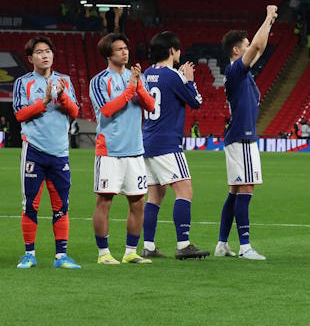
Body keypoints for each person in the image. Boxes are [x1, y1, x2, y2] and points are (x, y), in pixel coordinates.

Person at [13, 36, 81, 269]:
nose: (45, 55)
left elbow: (74, 111)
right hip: (33, 149)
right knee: (30, 204)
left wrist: (61, 96)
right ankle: (29, 254)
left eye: (48, 51)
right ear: (31, 58)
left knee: (61, 205)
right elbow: (20, 115)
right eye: (39, 52)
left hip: (60, 152)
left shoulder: (65, 81)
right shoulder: (23, 83)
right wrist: (44, 100)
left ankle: (61, 256)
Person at [139, 31, 209, 260]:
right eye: (178, 49)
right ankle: (183, 244)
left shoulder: (146, 74)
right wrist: (189, 79)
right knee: (184, 190)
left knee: (155, 194)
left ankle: (148, 246)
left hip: (147, 141)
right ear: (172, 50)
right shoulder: (173, 75)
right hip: (167, 142)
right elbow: (196, 102)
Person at [216, 5, 278, 261]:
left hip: (238, 136)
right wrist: (267, 18)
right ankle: (244, 247)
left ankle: (222, 244)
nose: (249, 47)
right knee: (246, 190)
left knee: (234, 190)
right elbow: (259, 47)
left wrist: (269, 22)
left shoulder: (241, 74)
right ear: (236, 50)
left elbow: (257, 47)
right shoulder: (235, 70)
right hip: (243, 136)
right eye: (245, 45)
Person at [89, 33, 156, 265]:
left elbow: (150, 105)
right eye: (119, 49)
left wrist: (138, 87)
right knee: (105, 200)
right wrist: (130, 89)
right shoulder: (99, 80)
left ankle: (130, 252)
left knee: (138, 201)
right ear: (109, 54)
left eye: (126, 48)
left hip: (135, 149)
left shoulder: (137, 77)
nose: (125, 52)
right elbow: (107, 110)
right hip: (110, 150)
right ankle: (103, 253)